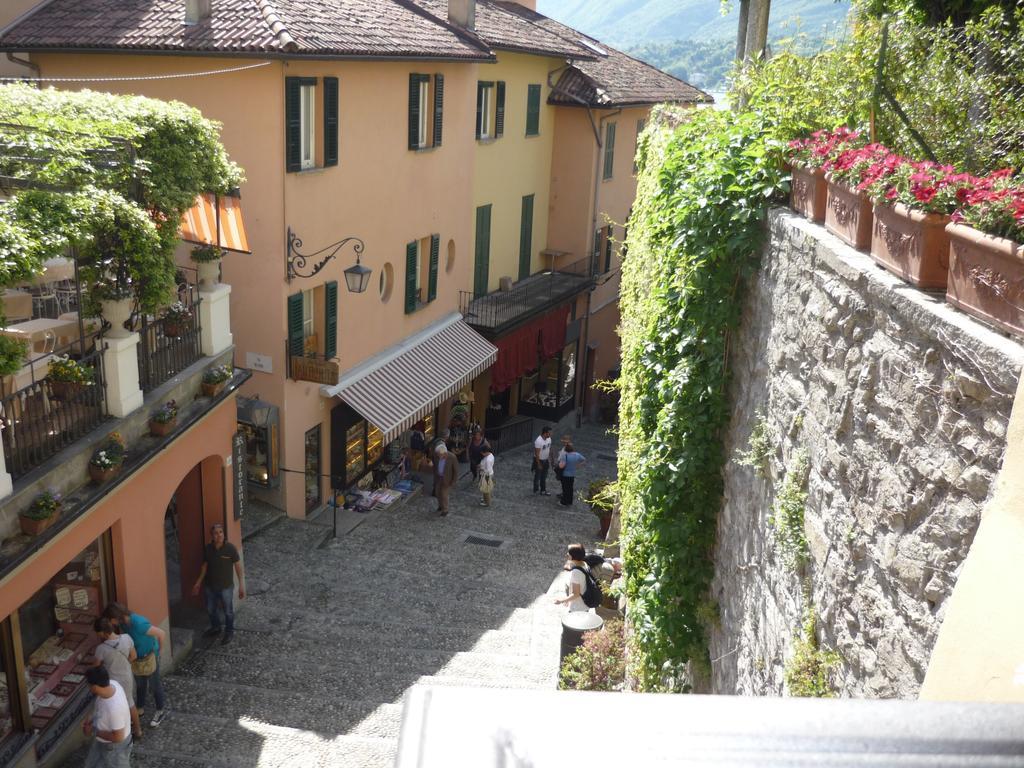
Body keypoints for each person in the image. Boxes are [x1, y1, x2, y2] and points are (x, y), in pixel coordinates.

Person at [103, 602, 167, 728]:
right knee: (140, 684)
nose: (110, 625)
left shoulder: (139, 624)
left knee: (155, 686)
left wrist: (158, 652)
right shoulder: (123, 624)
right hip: (137, 658)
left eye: (110, 621)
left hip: (149, 657)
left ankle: (160, 710)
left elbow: (161, 633)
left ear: (116, 618)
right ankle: (140, 708)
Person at [191, 522, 245, 645]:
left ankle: (229, 631)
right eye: (216, 533)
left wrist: (241, 585)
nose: (219, 535)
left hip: (226, 587)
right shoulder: (208, 549)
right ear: (212, 536)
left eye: (221, 532)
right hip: (210, 587)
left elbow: (238, 567)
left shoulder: (230, 548)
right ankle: (216, 628)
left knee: (228, 611)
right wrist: (198, 583)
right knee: (211, 609)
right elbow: (204, 566)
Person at [92, 617, 142, 739]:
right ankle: (138, 731)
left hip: (113, 681)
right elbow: (134, 656)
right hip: (127, 676)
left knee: (115, 705)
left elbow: (96, 668)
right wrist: (124, 665)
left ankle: (120, 728)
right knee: (130, 703)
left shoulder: (101, 649)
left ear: (103, 633)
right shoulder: (127, 638)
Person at [83, 666, 132, 768]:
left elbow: (118, 737)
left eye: (88, 684)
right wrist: (92, 718)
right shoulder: (113, 684)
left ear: (95, 687)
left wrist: (94, 730)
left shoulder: (114, 709)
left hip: (114, 747)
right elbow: (101, 706)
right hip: (103, 741)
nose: (88, 686)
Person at [554, 543, 591, 612]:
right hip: (583, 605)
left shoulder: (576, 573)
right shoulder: (584, 564)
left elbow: (576, 594)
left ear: (573, 556)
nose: (567, 554)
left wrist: (562, 600)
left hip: (578, 608)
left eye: (569, 553)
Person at [434, 442, 459, 516]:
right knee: (437, 492)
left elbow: (456, 471)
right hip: (439, 478)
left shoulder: (452, 457)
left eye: (440, 454)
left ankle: (445, 510)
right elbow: (435, 466)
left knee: (444, 495)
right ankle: (440, 506)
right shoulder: (437, 455)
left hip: (447, 479)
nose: (438, 456)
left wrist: (453, 481)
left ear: (444, 453)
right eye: (438, 454)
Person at [532, 426, 553, 495]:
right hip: (539, 460)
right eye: (549, 433)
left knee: (544, 476)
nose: (550, 434)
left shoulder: (549, 439)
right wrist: (538, 464)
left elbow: (549, 449)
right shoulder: (538, 441)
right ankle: (535, 489)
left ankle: (543, 490)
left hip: (545, 460)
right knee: (537, 476)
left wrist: (551, 459)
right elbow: (536, 454)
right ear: (545, 433)